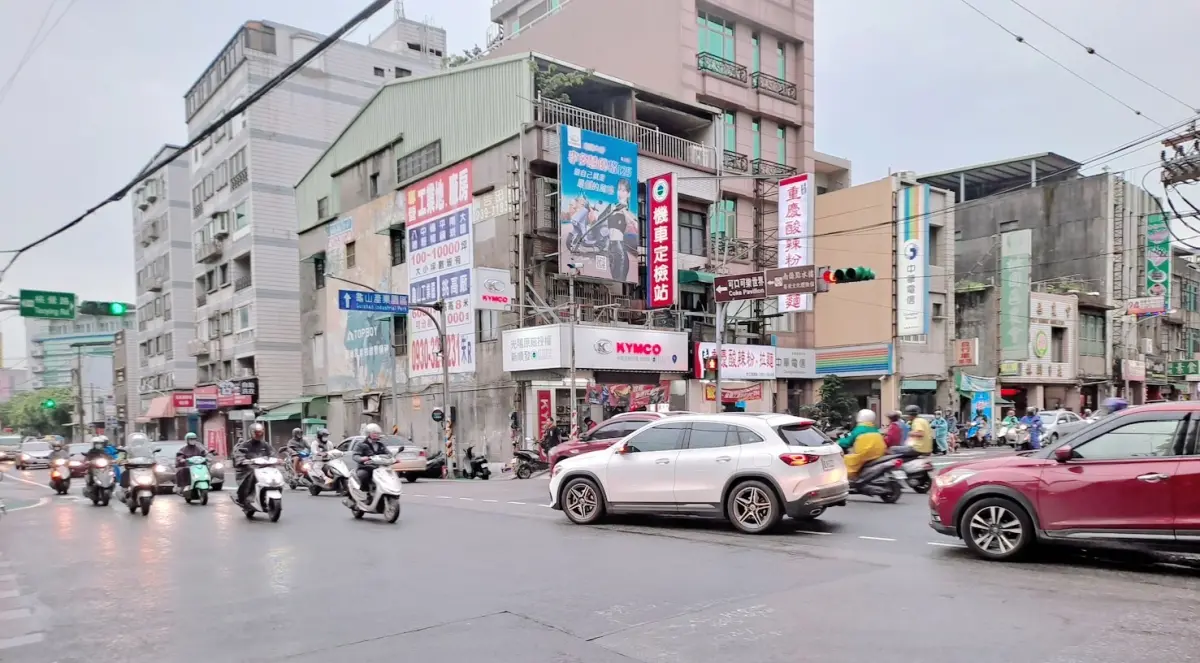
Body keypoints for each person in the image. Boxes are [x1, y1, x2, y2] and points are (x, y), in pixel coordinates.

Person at [837, 409, 886, 479]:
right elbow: (850, 434)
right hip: (878, 456)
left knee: (846, 462)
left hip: (864, 457)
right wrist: (842, 436)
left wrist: (839, 440)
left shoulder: (859, 428)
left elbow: (846, 440)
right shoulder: (875, 429)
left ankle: (849, 482)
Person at [233, 423, 274, 505]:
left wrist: (277, 460)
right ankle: (241, 497)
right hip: (248, 469)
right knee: (250, 475)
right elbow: (239, 455)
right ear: (251, 433)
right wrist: (243, 460)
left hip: (264, 468)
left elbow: (272, 453)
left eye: (260, 432)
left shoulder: (265, 444)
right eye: (256, 432)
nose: (259, 434)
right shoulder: (244, 445)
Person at [352, 423, 390, 496]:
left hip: (379, 467)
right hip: (366, 467)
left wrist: (394, 459)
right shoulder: (362, 444)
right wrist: (362, 458)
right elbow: (355, 455)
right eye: (374, 433)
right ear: (368, 434)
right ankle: (364, 493)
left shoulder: (381, 445)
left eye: (378, 433)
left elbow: (388, 454)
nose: (376, 435)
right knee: (362, 475)